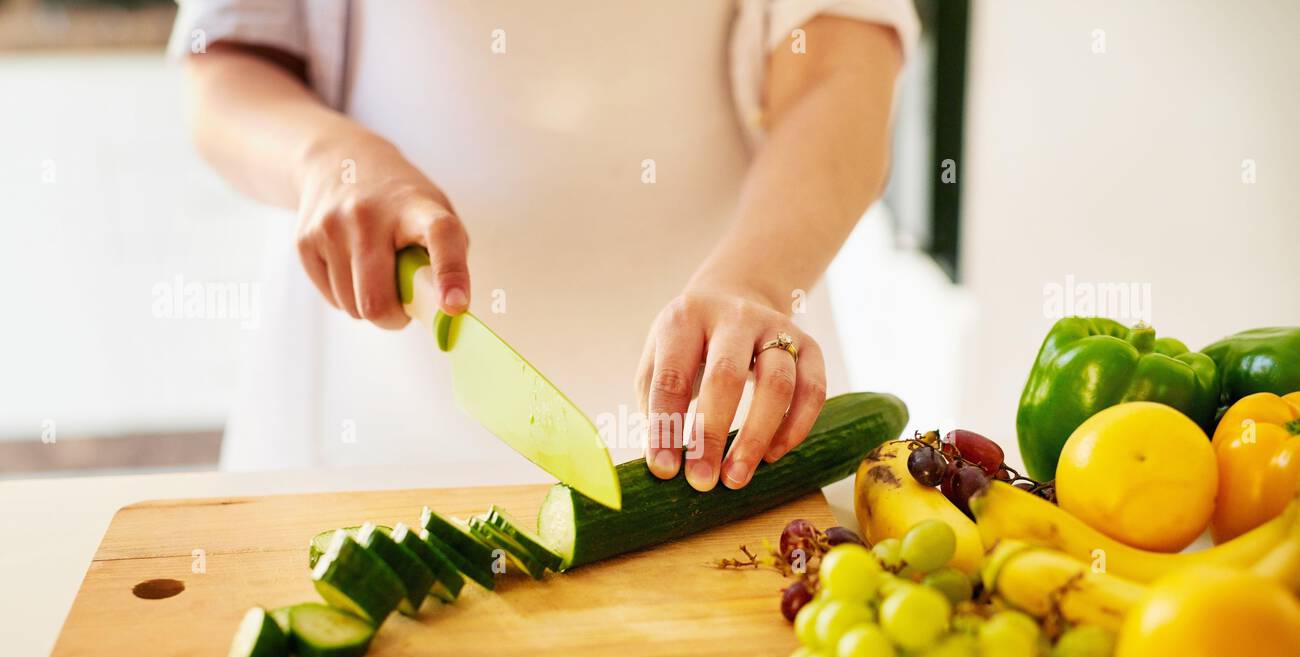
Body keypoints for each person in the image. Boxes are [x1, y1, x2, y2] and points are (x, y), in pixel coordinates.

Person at [172, 0, 915, 489]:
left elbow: (838, 73)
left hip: (728, 402)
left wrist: (756, 280)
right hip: (364, 410)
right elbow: (226, 62)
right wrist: (324, 159)